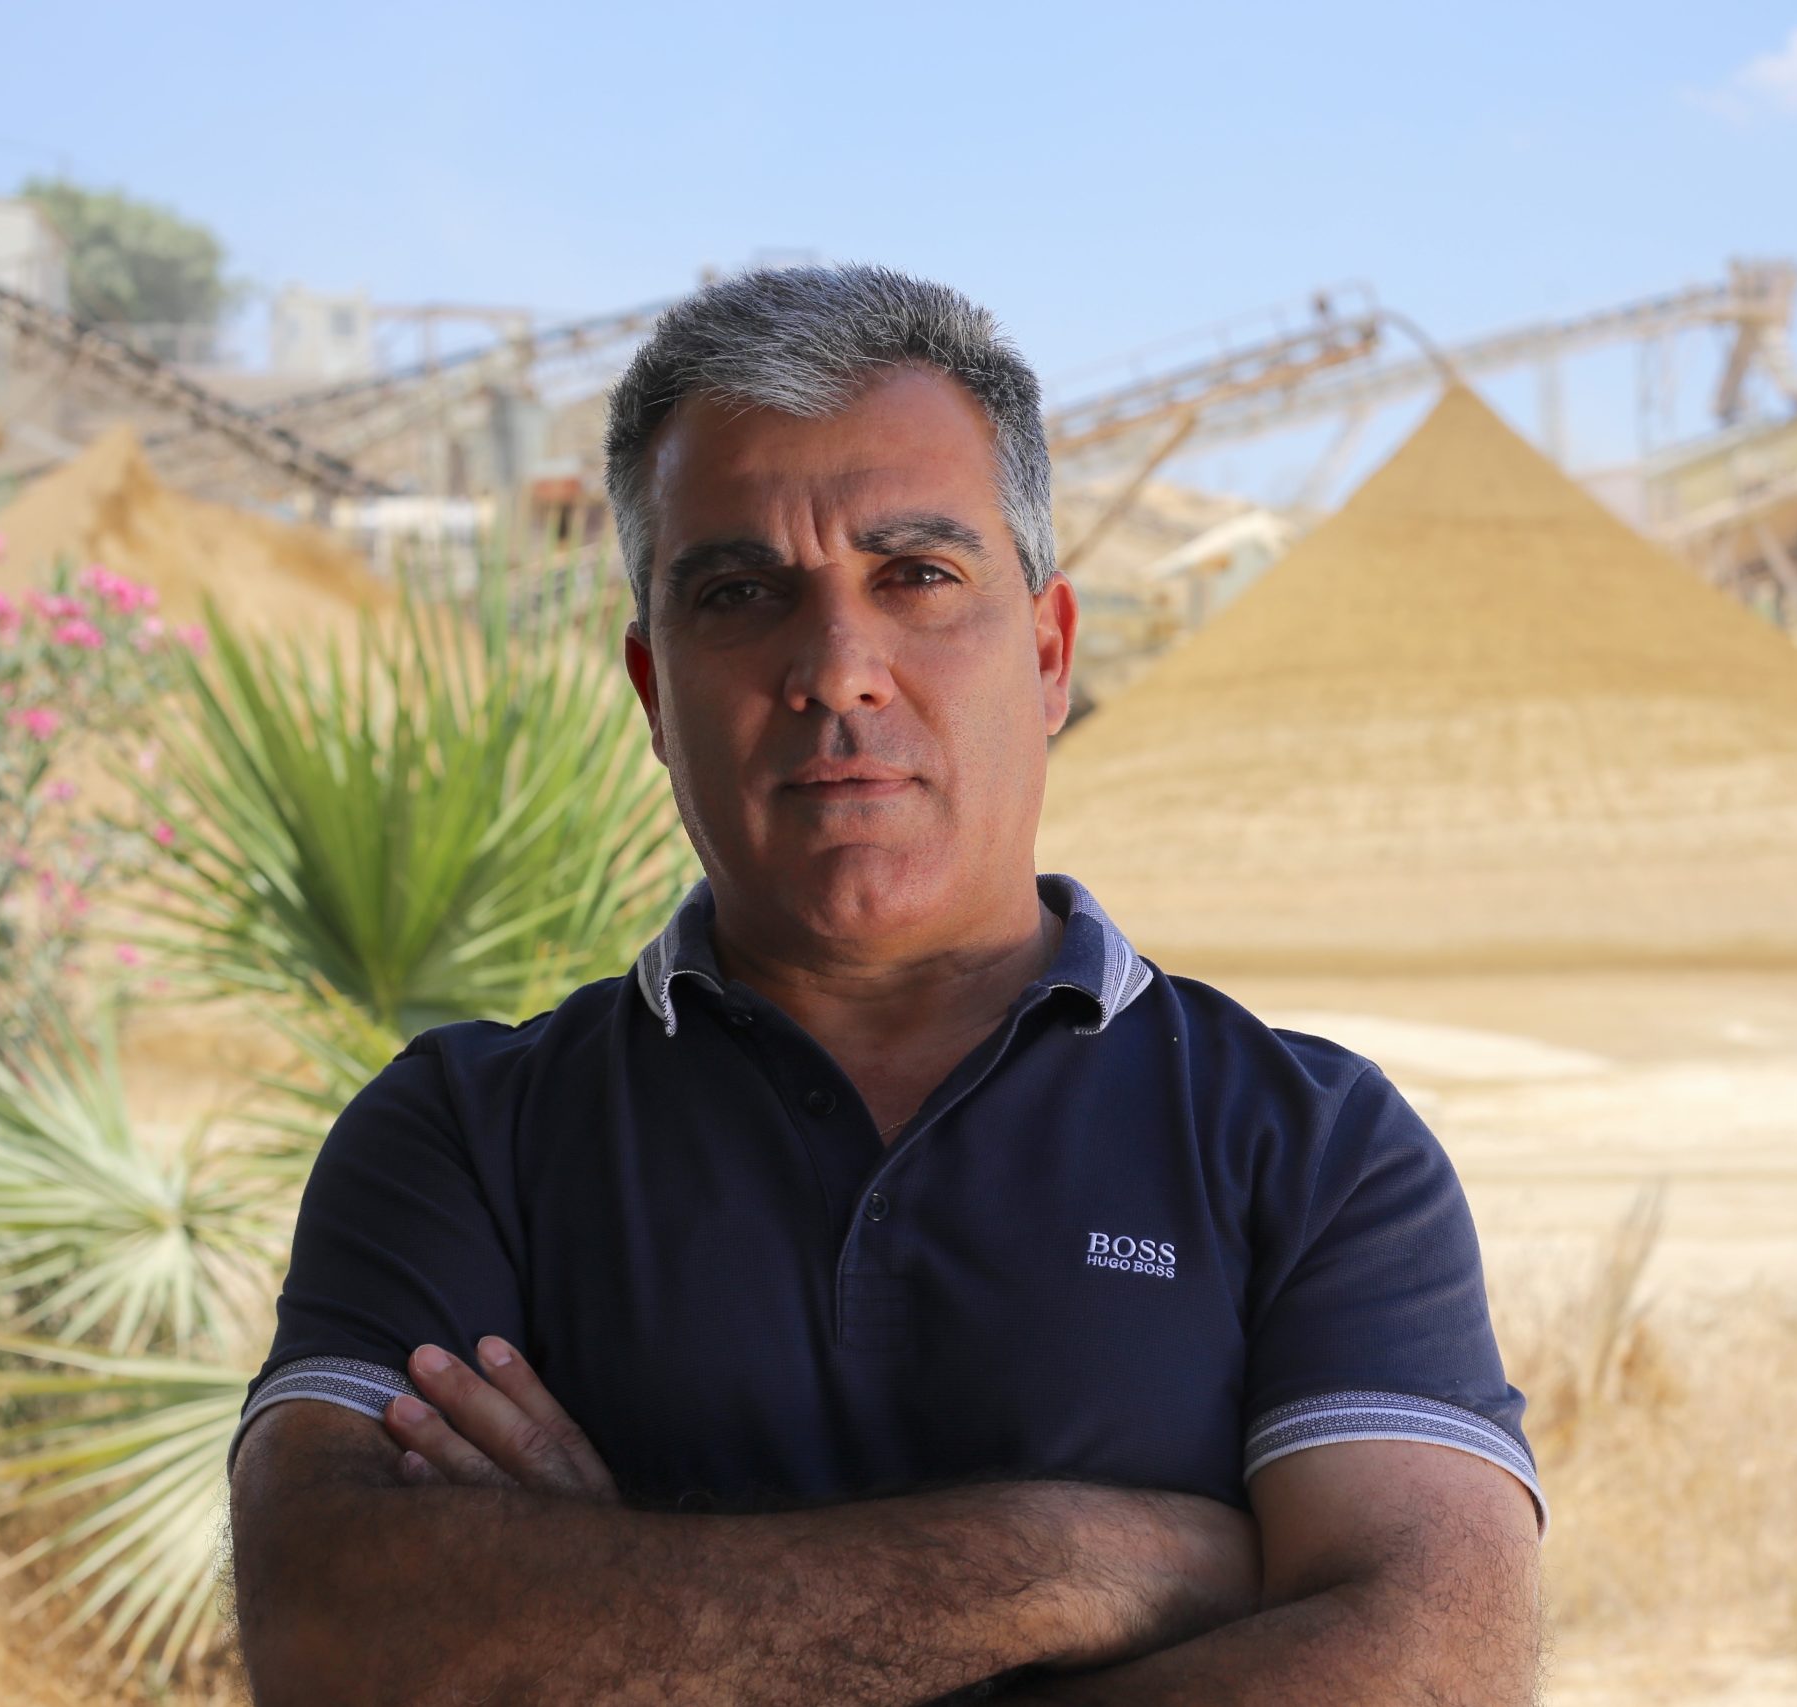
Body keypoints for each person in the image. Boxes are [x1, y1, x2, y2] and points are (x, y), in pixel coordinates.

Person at [226, 265, 1543, 1705]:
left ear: (1048, 653)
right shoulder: (465, 1139)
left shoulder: (1314, 1149)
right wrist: (1081, 1562)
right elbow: (333, 1635)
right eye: (740, 594)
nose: (840, 671)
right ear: (654, 691)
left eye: (917, 576)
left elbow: (1436, 1668)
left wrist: (603, 1615)